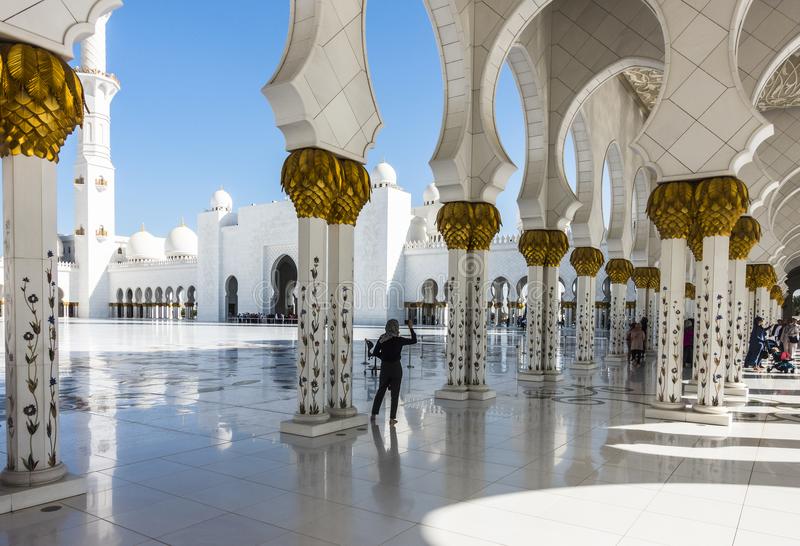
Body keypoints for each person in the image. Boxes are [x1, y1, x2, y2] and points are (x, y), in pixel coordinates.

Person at [370, 319, 417, 425]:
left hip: (385, 368)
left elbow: (375, 352)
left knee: (381, 390)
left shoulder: (382, 339)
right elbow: (414, 340)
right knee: (395, 394)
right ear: (397, 327)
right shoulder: (399, 339)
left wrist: (383, 357)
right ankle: (392, 419)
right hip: (396, 368)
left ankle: (374, 414)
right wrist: (410, 328)